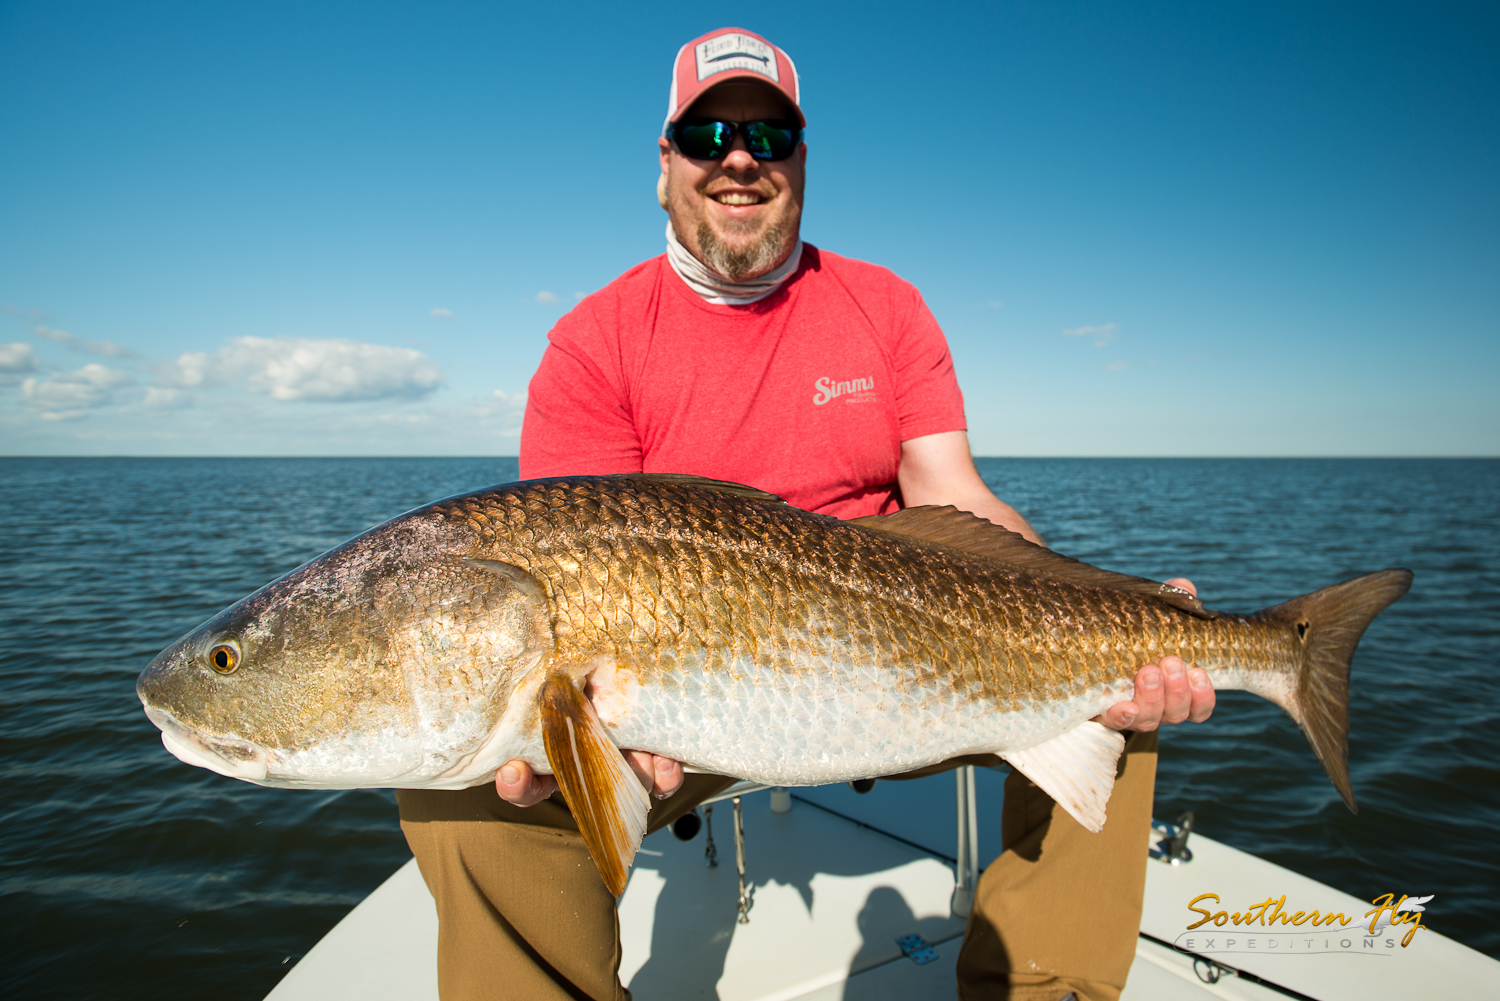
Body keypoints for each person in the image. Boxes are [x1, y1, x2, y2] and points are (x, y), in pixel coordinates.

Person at [397, 27, 1215, 1001]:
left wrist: (1110, 608)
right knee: (465, 797)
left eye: (767, 134)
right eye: (707, 135)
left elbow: (954, 495)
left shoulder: (885, 306)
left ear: (800, 161)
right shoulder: (592, 345)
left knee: (1115, 691)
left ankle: (1049, 987)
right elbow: (573, 570)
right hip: (679, 705)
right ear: (666, 165)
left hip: (919, 660)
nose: (738, 157)